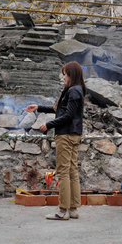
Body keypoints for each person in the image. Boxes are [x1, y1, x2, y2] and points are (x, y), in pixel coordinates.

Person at [25, 61, 85, 220]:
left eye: (65, 74)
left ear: (71, 75)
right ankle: (73, 209)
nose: (63, 77)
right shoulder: (75, 90)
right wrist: (38, 107)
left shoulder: (73, 91)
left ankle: (62, 210)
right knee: (72, 171)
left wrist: (48, 125)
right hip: (74, 134)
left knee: (64, 172)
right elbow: (57, 109)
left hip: (65, 135)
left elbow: (68, 116)